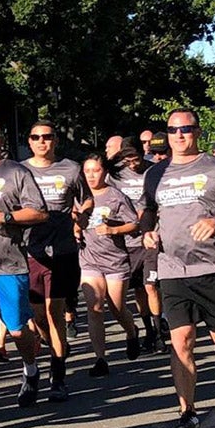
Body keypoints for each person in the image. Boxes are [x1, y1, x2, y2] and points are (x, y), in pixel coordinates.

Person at [141, 109, 215, 428]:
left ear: (198, 132)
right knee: (182, 341)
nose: (179, 135)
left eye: (186, 129)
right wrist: (147, 231)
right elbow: (148, 210)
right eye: (173, 130)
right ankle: (187, 413)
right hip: (172, 268)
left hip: (212, 267)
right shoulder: (155, 173)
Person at [0, 117, 48, 417]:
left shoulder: (16, 171)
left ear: (0, 139)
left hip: (9, 264)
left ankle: (31, 369)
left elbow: (40, 213)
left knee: (16, 331)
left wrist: (5, 217)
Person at [21, 120, 87, 403]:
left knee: (55, 312)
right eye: (36, 137)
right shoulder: (19, 171)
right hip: (31, 251)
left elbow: (86, 199)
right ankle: (53, 348)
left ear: (55, 140)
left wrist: (82, 215)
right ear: (29, 141)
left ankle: (58, 376)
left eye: (47, 137)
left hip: (61, 250)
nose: (41, 142)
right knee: (38, 316)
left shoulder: (70, 168)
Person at [78, 154, 141, 376]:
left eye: (96, 170)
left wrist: (114, 229)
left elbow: (134, 224)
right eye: (87, 171)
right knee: (94, 308)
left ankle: (132, 332)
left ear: (104, 172)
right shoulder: (79, 196)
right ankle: (100, 359)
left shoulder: (116, 196)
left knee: (116, 308)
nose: (91, 175)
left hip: (115, 260)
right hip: (89, 259)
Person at [110, 146, 164, 353]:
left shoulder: (153, 171)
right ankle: (148, 330)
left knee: (151, 286)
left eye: (136, 160)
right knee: (139, 289)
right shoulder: (116, 176)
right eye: (128, 161)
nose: (132, 165)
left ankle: (159, 333)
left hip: (150, 238)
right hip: (128, 242)